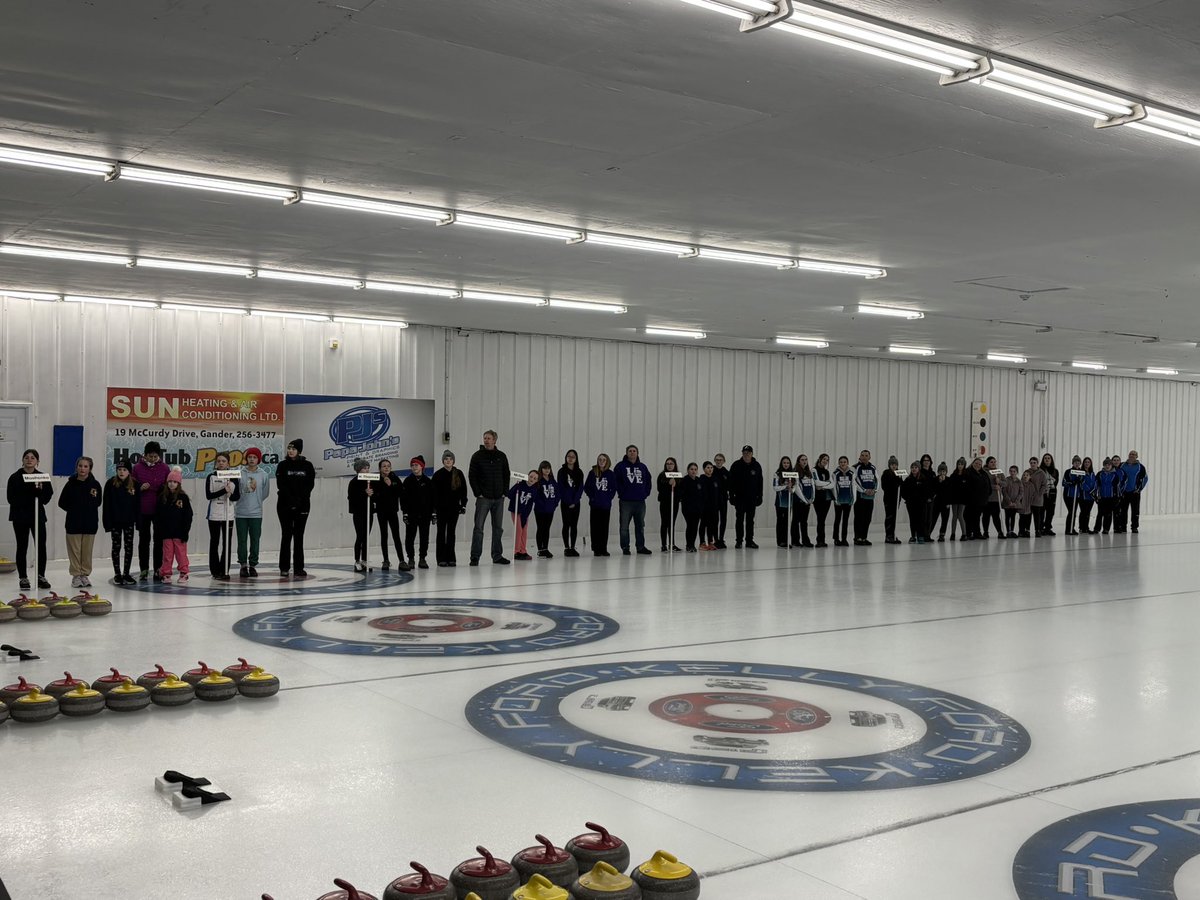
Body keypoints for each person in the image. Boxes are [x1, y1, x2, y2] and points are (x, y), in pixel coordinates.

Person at [58, 456, 102, 589]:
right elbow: (62, 502)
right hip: (73, 523)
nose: (82, 469)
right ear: (76, 467)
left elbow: (98, 502)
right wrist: (74, 510)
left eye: (86, 466)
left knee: (86, 551)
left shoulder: (95, 485)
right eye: (80, 466)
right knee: (75, 551)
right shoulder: (70, 484)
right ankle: (76, 575)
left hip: (90, 523)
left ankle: (85, 574)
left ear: (90, 469)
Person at [469, 430, 511, 566]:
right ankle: (475, 557)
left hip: (499, 498)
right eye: (485, 438)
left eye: (489, 438)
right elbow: (472, 476)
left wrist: (505, 492)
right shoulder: (477, 456)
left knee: (498, 528)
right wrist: (478, 493)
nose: (486, 440)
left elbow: (506, 474)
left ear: (495, 440)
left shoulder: (501, 456)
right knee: (478, 528)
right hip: (483, 499)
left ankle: (497, 555)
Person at [275, 438, 315, 578]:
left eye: (293, 449)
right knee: (286, 535)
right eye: (289, 448)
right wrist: (291, 502)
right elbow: (281, 485)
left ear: (299, 450)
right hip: (284, 505)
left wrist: (298, 502)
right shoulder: (282, 465)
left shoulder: (307, 465)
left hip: (303, 505)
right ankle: (284, 568)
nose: (290, 451)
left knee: (299, 536)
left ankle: (299, 568)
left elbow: (309, 485)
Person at [132, 440, 169, 581]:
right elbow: (131, 486)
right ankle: (144, 569)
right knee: (144, 540)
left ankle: (158, 569)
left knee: (158, 540)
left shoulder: (165, 468)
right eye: (150, 456)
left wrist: (163, 489)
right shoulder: (137, 468)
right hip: (143, 509)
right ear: (145, 455)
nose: (152, 459)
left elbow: (170, 487)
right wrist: (139, 488)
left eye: (155, 456)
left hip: (159, 509)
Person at [235, 447, 270, 578]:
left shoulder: (264, 475)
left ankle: (253, 565)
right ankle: (243, 565)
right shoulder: (239, 473)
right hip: (241, 513)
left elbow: (265, 493)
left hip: (256, 513)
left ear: (258, 459)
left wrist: (256, 502)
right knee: (242, 540)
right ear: (246, 458)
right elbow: (235, 490)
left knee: (255, 540)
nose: (252, 459)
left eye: (254, 457)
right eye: (250, 457)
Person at [205, 452, 241, 580]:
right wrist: (223, 490)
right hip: (214, 513)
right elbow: (209, 495)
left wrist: (231, 492)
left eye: (223, 461)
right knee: (214, 541)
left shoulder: (233, 477)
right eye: (219, 461)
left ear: (228, 463)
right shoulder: (211, 476)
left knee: (227, 542)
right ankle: (215, 570)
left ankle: (224, 569)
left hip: (228, 514)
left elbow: (237, 496)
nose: (221, 463)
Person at [103, 461, 139, 585]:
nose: (121, 472)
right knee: (116, 547)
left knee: (129, 547)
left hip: (129, 521)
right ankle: (117, 573)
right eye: (119, 469)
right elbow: (106, 505)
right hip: (115, 522)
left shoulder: (135, 484)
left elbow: (137, 505)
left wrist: (138, 522)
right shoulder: (110, 484)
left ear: (129, 471)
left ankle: (126, 573)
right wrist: (107, 523)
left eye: (124, 469)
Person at [614, 444, 653, 556]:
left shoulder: (643, 467)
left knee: (640, 526)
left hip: (640, 502)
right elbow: (616, 481)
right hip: (626, 501)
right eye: (630, 451)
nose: (632, 452)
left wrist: (645, 493)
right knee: (624, 526)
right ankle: (625, 547)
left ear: (637, 453)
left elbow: (648, 480)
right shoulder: (620, 466)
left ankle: (640, 547)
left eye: (634, 451)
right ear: (626, 453)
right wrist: (622, 492)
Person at [431, 450, 467, 567]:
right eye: (446, 459)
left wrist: (463, 505)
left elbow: (463, 491)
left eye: (450, 459)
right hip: (441, 509)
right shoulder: (437, 475)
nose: (448, 461)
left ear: (453, 461)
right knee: (441, 533)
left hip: (454, 508)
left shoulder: (458, 473)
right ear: (443, 461)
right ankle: (441, 558)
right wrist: (434, 511)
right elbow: (434, 494)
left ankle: (451, 557)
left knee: (451, 533)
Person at [156, 467, 193, 583]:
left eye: (175, 482)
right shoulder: (162, 497)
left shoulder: (183, 498)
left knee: (181, 554)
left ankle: (184, 573)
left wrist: (185, 531)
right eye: (170, 482)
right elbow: (158, 516)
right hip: (166, 533)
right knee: (167, 555)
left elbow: (188, 516)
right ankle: (166, 573)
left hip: (179, 533)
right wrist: (159, 530)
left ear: (179, 483)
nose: (172, 484)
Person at [728, 445, 764, 549]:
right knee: (739, 520)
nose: (746, 454)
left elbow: (760, 482)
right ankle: (739, 541)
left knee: (750, 520)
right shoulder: (736, 465)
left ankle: (749, 541)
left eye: (748, 452)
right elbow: (731, 482)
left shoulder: (757, 466)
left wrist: (760, 496)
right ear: (742, 453)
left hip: (752, 498)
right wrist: (731, 495)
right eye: (744, 452)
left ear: (752, 453)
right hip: (739, 498)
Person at [401, 456, 434, 569]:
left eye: (416, 465)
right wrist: (405, 513)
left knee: (424, 537)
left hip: (425, 514)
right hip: (411, 515)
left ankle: (422, 558)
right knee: (409, 537)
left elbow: (432, 499)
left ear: (422, 466)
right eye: (412, 465)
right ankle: (411, 558)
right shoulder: (407, 481)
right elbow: (403, 499)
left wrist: (433, 512)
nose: (414, 467)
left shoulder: (428, 481)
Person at [374, 459, 407, 571]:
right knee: (384, 535)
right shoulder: (376, 479)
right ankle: (386, 560)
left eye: (388, 466)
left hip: (392, 511)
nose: (386, 468)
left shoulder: (395, 478)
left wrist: (391, 485)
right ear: (380, 468)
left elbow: (401, 492)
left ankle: (402, 561)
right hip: (381, 512)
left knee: (396, 536)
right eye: (384, 466)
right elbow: (374, 494)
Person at [584, 453, 616, 556]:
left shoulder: (610, 474)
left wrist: (608, 498)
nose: (602, 461)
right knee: (595, 527)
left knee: (604, 527)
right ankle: (596, 548)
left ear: (607, 461)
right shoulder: (593, 472)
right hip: (595, 505)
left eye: (604, 460)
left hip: (606, 505)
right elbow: (587, 487)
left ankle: (603, 548)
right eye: (600, 459)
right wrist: (592, 497)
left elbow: (614, 488)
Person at [347, 458, 374, 573]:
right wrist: (364, 493)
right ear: (358, 469)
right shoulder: (354, 482)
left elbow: (375, 494)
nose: (367, 470)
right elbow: (351, 497)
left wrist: (372, 494)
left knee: (366, 537)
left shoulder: (370, 481)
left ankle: (365, 560)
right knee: (360, 536)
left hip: (369, 512)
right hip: (359, 513)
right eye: (364, 468)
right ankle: (357, 560)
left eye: (368, 468)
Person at [557, 450, 585, 557]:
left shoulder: (579, 472)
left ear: (576, 459)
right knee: (566, 524)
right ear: (566, 457)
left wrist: (574, 501)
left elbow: (580, 488)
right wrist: (568, 501)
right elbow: (561, 488)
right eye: (569, 456)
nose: (571, 458)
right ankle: (566, 547)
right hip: (565, 503)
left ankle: (573, 547)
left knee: (574, 525)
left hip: (576, 503)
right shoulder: (562, 471)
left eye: (573, 456)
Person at [533, 460, 561, 559]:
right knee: (541, 528)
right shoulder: (538, 481)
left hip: (550, 509)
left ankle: (545, 548)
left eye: (548, 468)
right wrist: (543, 504)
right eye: (545, 468)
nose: (547, 470)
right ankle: (540, 550)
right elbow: (535, 496)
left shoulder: (553, 480)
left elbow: (558, 494)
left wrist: (555, 504)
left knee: (546, 529)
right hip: (540, 510)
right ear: (541, 469)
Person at [507, 470, 537, 561]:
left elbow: (530, 504)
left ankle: (523, 551)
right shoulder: (520, 484)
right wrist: (516, 486)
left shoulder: (534, 489)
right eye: (531, 476)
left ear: (537, 481)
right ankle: (516, 551)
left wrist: (526, 515)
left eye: (535, 478)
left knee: (524, 531)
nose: (532, 479)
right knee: (519, 530)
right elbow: (509, 495)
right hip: (516, 511)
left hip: (525, 513)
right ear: (527, 476)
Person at [1117, 450, 1149, 533]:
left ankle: (1134, 527)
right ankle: (1123, 526)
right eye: (1130, 454)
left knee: (1135, 510)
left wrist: (1138, 489)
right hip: (1124, 492)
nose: (1132, 455)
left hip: (1134, 493)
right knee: (1123, 510)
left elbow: (1145, 479)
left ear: (1136, 456)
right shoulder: (1122, 465)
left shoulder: (1140, 467)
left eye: (1134, 454)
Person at [656, 457, 682, 552]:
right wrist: (668, 483)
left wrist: (675, 485)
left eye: (671, 463)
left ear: (674, 465)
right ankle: (663, 544)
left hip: (674, 503)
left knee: (672, 524)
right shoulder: (662, 475)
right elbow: (660, 489)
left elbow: (680, 490)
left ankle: (672, 543)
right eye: (668, 463)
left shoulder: (678, 475)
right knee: (664, 523)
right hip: (665, 503)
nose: (669, 465)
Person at [852, 450, 877, 546]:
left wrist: (874, 490)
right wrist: (864, 490)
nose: (864, 457)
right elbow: (854, 481)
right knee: (859, 518)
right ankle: (857, 537)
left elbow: (876, 480)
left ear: (869, 457)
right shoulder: (855, 467)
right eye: (862, 455)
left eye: (866, 455)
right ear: (860, 457)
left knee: (867, 518)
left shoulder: (873, 467)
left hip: (870, 497)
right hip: (860, 497)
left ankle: (864, 537)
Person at [772, 456, 797, 548]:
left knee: (787, 521)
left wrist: (792, 489)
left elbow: (796, 485)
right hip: (780, 502)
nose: (786, 464)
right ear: (781, 464)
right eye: (784, 463)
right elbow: (775, 487)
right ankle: (780, 541)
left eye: (787, 463)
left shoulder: (793, 473)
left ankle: (787, 540)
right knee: (780, 521)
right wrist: (785, 487)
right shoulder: (777, 474)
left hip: (789, 502)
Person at [940, 458, 968, 541]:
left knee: (960, 515)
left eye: (962, 464)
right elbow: (949, 486)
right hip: (954, 498)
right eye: (959, 464)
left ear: (964, 465)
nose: (960, 466)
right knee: (954, 516)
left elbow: (968, 488)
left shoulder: (966, 475)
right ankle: (953, 533)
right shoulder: (953, 475)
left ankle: (964, 534)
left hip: (963, 499)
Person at [963, 458, 991, 540]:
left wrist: (987, 493)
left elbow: (988, 484)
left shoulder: (983, 473)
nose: (978, 465)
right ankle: (969, 533)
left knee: (977, 517)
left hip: (981, 500)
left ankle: (977, 533)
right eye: (976, 463)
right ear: (972, 463)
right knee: (969, 517)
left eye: (979, 464)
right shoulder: (968, 472)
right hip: (971, 500)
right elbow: (967, 487)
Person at [900, 461, 927, 543]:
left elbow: (926, 490)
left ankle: (920, 535)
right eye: (912, 467)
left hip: (921, 503)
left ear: (919, 469)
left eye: (915, 467)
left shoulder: (923, 478)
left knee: (921, 519)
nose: (914, 469)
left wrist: (924, 499)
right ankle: (913, 536)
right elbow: (903, 490)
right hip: (911, 504)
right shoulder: (908, 479)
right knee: (913, 520)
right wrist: (907, 499)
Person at [679, 462, 704, 551]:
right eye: (691, 469)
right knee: (690, 525)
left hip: (697, 508)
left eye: (695, 469)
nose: (693, 471)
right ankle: (689, 545)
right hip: (688, 508)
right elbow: (681, 494)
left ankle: (692, 544)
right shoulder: (684, 480)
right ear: (688, 470)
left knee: (695, 526)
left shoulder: (698, 480)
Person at [1094, 458, 1123, 534]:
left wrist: (1118, 497)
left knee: (1108, 514)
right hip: (1102, 497)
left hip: (1111, 497)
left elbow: (1118, 487)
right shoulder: (1099, 474)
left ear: (1111, 465)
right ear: (1103, 465)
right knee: (1100, 513)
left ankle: (1106, 529)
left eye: (1109, 465)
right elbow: (1096, 485)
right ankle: (1097, 528)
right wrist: (1096, 496)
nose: (1107, 466)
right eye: (1106, 465)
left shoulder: (1115, 475)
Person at [793, 454, 815, 548]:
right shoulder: (795, 472)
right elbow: (797, 487)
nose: (804, 461)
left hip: (807, 502)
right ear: (798, 461)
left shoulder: (808, 472)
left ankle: (806, 540)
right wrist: (804, 499)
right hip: (799, 501)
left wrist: (812, 498)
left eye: (806, 459)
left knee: (804, 521)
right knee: (796, 521)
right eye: (802, 460)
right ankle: (795, 540)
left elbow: (812, 486)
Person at [813, 453, 834, 548]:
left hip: (827, 498)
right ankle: (819, 540)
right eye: (824, 459)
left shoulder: (827, 472)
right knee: (820, 519)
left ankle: (822, 540)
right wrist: (827, 484)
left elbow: (832, 485)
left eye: (827, 460)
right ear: (820, 459)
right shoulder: (814, 470)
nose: (825, 461)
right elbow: (816, 482)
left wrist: (822, 486)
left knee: (823, 520)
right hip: (818, 498)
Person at [832, 456, 854, 547]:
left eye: (844, 462)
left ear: (847, 463)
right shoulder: (835, 473)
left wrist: (853, 498)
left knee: (845, 520)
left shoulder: (851, 473)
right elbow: (834, 487)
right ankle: (836, 539)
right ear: (838, 463)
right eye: (841, 462)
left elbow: (853, 486)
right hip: (838, 501)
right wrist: (836, 499)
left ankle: (844, 539)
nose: (843, 463)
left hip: (848, 500)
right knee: (837, 519)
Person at [698, 461, 720, 551]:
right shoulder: (701, 479)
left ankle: (711, 542)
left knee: (712, 524)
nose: (710, 469)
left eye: (711, 468)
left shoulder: (715, 479)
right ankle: (702, 543)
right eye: (708, 468)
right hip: (704, 507)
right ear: (704, 469)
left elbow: (717, 493)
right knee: (703, 524)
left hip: (714, 507)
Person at [1061, 456, 1085, 536]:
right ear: (1073, 463)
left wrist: (1080, 482)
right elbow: (1064, 483)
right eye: (1075, 462)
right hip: (1068, 495)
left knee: (1073, 512)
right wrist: (1072, 482)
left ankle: (1072, 528)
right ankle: (1068, 529)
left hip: (1077, 495)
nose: (1077, 464)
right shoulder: (1068, 471)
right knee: (1071, 512)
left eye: (1078, 462)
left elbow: (1083, 483)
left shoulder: (1082, 472)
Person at [881, 455, 902, 545]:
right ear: (889, 465)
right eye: (892, 464)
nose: (894, 466)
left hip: (896, 499)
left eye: (895, 464)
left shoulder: (899, 473)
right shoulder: (886, 473)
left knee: (895, 517)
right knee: (889, 517)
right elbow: (884, 486)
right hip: (889, 499)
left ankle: (893, 534)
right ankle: (888, 536)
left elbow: (902, 485)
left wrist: (900, 479)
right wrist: (895, 481)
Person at [711, 453, 730, 549]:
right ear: (715, 461)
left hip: (723, 499)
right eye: (717, 460)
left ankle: (721, 538)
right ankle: (715, 539)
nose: (718, 461)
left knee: (723, 519)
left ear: (724, 461)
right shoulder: (711, 471)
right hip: (713, 499)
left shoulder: (726, 472)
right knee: (715, 519)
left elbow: (730, 486)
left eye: (720, 460)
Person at [983, 456, 1006, 539]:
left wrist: (999, 482)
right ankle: (985, 532)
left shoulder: (999, 472)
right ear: (987, 463)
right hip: (987, 498)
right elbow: (984, 484)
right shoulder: (984, 472)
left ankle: (1000, 532)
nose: (993, 463)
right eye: (991, 462)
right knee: (986, 516)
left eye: (994, 462)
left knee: (996, 516)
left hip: (996, 499)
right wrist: (993, 487)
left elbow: (1005, 483)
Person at [1039, 453, 1060, 537]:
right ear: (1043, 460)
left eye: (1049, 458)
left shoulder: (1055, 471)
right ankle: (1040, 528)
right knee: (1041, 512)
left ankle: (1048, 528)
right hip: (1042, 494)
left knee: (1050, 512)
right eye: (1045, 458)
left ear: (1051, 460)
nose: (1047, 460)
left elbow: (1056, 482)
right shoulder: (1040, 470)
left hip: (1052, 493)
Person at [1026, 457, 1047, 537]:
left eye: (1034, 462)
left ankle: (1037, 530)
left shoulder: (1041, 473)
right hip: (1028, 497)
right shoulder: (1027, 472)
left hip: (1037, 498)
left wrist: (1039, 494)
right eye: (1031, 463)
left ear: (1037, 463)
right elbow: (1023, 481)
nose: (1032, 464)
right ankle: (1027, 530)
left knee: (1037, 516)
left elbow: (1044, 484)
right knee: (1028, 515)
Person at [1000, 465, 1024, 537]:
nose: (1012, 473)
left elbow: (1021, 492)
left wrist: (1016, 502)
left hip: (1015, 503)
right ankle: (1008, 531)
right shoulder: (1006, 480)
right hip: (1007, 503)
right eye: (1011, 471)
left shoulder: (1019, 481)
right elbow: (1004, 491)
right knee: (1007, 517)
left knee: (1013, 517)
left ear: (1017, 472)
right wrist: (1009, 501)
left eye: (1014, 471)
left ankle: (1012, 531)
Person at [1078, 457, 1097, 534]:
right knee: (1083, 512)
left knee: (1088, 512)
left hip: (1091, 497)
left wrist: (1093, 491)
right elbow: (1082, 483)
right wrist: (1089, 490)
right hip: (1083, 496)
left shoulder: (1092, 473)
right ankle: (1082, 528)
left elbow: (1095, 483)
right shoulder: (1081, 472)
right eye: (1085, 462)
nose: (1087, 463)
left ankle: (1086, 527)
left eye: (1088, 462)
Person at [933, 462, 951, 541]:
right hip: (936, 503)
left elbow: (950, 492)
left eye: (944, 471)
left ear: (946, 472)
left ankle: (942, 534)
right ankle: (928, 533)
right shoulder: (935, 479)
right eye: (940, 471)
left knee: (945, 520)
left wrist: (948, 502)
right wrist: (940, 482)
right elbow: (935, 490)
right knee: (933, 519)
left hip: (945, 503)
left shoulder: (948, 480)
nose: (942, 473)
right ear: (938, 471)